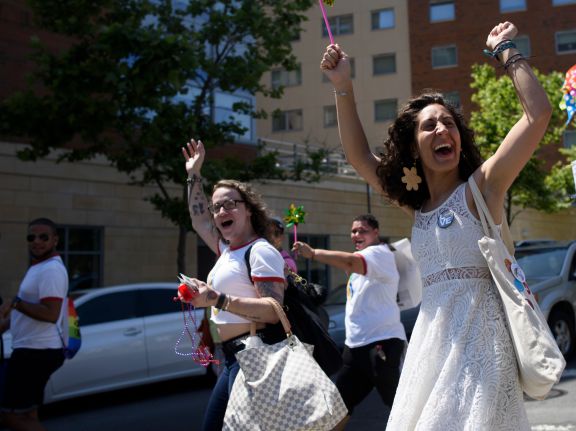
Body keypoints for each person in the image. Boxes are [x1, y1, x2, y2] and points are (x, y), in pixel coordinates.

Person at [320, 21, 551, 429]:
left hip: (483, 348)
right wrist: (343, 87)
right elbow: (359, 158)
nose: (443, 129)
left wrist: (508, 52)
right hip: (432, 346)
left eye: (449, 123)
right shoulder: (418, 206)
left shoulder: (484, 187)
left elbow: (538, 115)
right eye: (430, 125)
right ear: (413, 146)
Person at [181, 139, 288, 431]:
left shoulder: (261, 251)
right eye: (217, 208)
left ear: (249, 210)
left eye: (230, 204)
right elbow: (198, 218)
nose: (220, 212)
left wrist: (217, 299)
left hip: (256, 356)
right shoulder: (227, 250)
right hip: (231, 359)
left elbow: (273, 310)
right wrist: (194, 174)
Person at [292, 214, 406, 425]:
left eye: (362, 230)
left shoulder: (379, 254)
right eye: (353, 231)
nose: (356, 235)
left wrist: (314, 253)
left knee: (401, 406)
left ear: (375, 233)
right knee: (337, 407)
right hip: (354, 348)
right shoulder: (360, 264)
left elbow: (349, 261)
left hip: (382, 344)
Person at [0, 218, 68, 431]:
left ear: (55, 240)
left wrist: (17, 303)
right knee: (28, 413)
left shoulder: (51, 270)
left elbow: (50, 313)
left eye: (43, 237)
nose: (36, 241)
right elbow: (28, 311)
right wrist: (5, 324)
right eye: (31, 237)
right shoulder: (38, 267)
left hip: (35, 352)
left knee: (8, 416)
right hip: (32, 348)